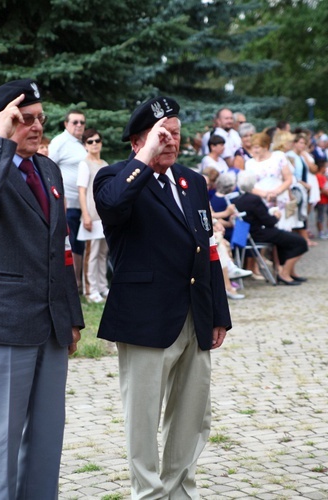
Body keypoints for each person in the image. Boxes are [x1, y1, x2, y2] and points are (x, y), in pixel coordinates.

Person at [0, 79, 84, 499]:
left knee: (47, 436)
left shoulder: (48, 169)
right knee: (0, 437)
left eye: (40, 119)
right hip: (2, 320)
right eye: (24, 120)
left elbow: (60, 247)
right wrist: (0, 141)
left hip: (49, 323)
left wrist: (71, 318)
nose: (36, 127)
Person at [93, 96, 230, 498]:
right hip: (146, 319)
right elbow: (115, 206)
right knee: (143, 419)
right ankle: (148, 495)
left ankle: (179, 491)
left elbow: (206, 249)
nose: (170, 140)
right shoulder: (115, 177)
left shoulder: (192, 182)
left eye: (175, 133)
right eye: (160, 134)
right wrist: (146, 158)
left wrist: (218, 313)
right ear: (137, 141)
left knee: (192, 418)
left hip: (195, 316)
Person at [233, 171, 308, 285]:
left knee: (283, 241)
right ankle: (284, 273)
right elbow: (269, 222)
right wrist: (276, 216)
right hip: (259, 233)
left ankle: (287, 272)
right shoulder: (254, 199)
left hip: (249, 233)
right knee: (300, 242)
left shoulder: (237, 199)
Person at [49, 109, 87, 291]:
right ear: (66, 124)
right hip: (67, 203)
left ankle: (78, 284)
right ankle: (70, 285)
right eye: (75, 122)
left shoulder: (82, 144)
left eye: (82, 122)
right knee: (69, 244)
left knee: (79, 245)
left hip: (84, 204)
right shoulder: (60, 142)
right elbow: (48, 167)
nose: (79, 125)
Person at [76, 128, 109, 303]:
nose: (94, 144)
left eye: (97, 140)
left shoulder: (104, 164)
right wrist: (86, 215)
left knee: (103, 253)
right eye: (90, 141)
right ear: (85, 145)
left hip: (104, 217)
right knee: (92, 253)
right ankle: (90, 290)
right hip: (91, 216)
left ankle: (102, 287)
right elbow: (82, 192)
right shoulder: (84, 164)